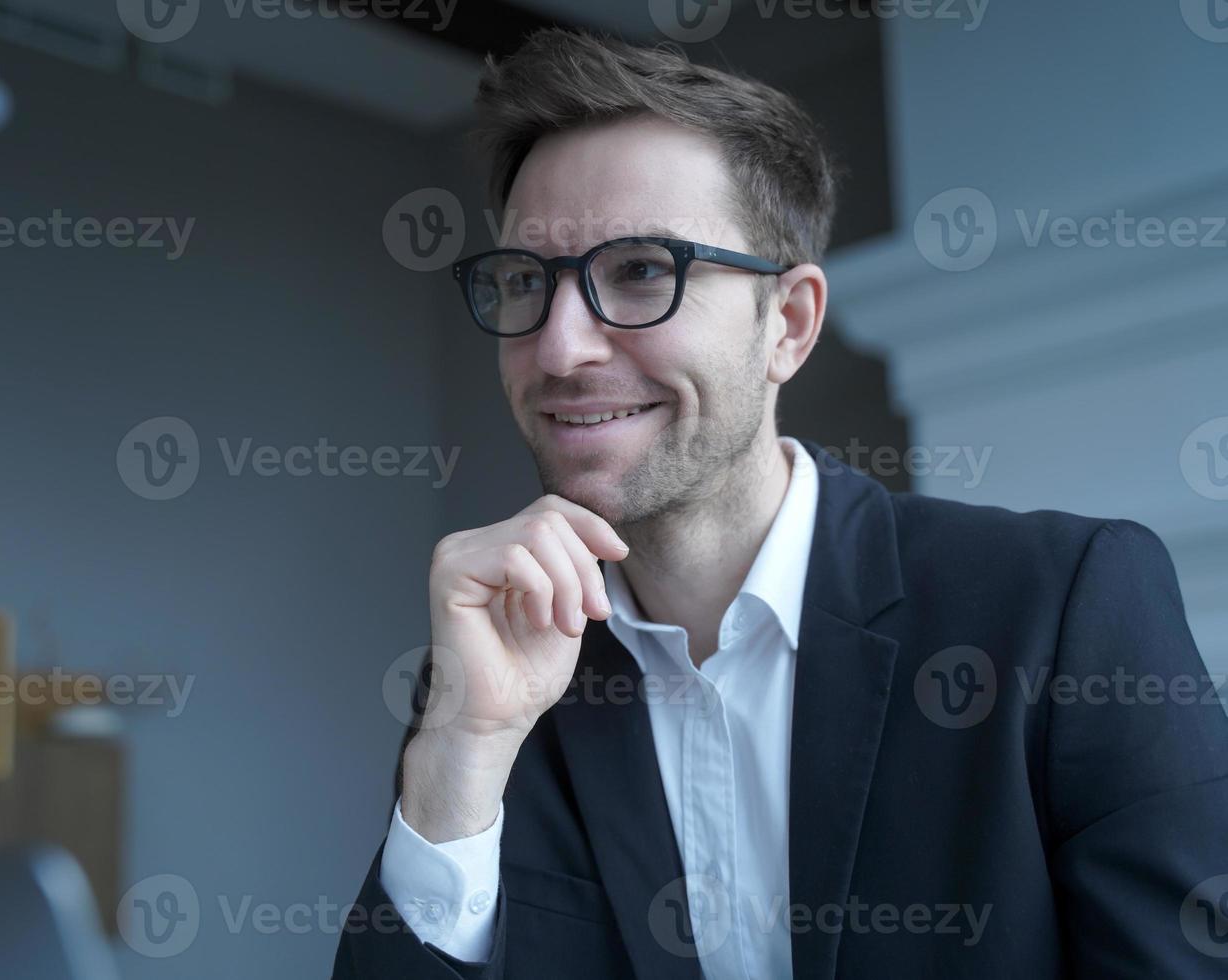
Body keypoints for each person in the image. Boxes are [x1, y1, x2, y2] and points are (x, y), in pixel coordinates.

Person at [332, 27, 1228, 980]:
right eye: (525, 281)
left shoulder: (1064, 608)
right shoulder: (492, 674)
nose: (559, 350)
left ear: (788, 326)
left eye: (640, 270)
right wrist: (459, 754)